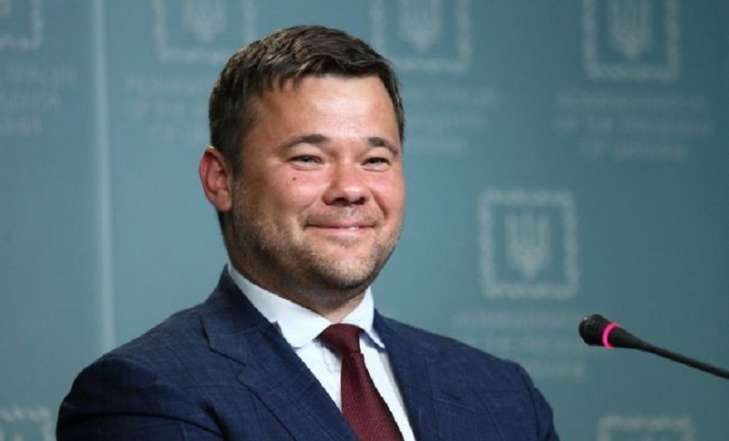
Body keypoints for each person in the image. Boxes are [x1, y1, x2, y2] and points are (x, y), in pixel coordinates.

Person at [57, 25, 559, 441]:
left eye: (375, 159)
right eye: (308, 158)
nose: (351, 189)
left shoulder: (504, 394)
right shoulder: (145, 393)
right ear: (221, 180)